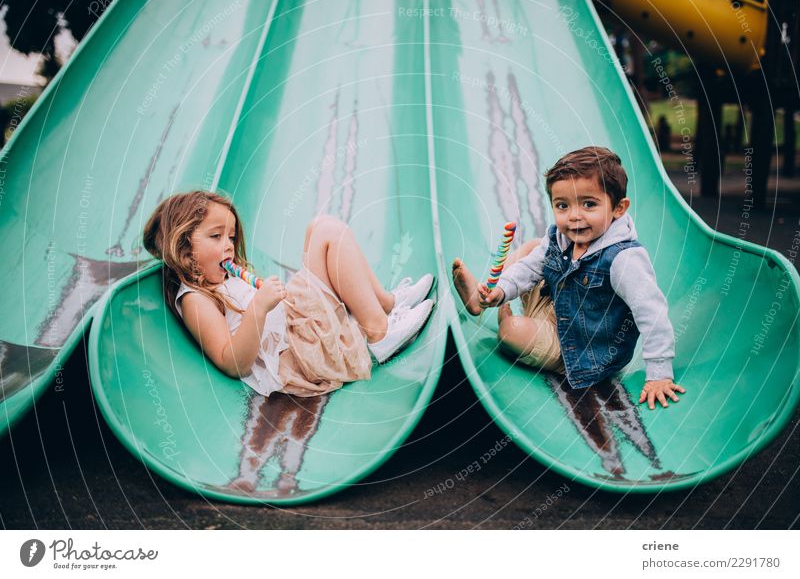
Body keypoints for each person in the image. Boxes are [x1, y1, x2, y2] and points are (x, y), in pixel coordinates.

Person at [452, 147, 683, 410]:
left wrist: (659, 374)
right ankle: (488, 299)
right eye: (563, 205)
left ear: (619, 208)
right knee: (533, 249)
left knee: (510, 331)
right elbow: (529, 269)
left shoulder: (623, 260)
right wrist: (503, 288)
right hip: (555, 308)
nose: (574, 215)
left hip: (578, 350)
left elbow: (652, 313)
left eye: (589, 204)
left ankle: (505, 314)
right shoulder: (559, 237)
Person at [143, 190, 434, 397]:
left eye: (231, 237)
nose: (229, 245)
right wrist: (259, 307)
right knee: (328, 233)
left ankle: (386, 304)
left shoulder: (218, 279)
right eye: (216, 236)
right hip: (298, 352)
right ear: (183, 248)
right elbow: (232, 362)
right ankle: (380, 334)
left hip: (297, 324)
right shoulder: (195, 299)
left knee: (319, 227)